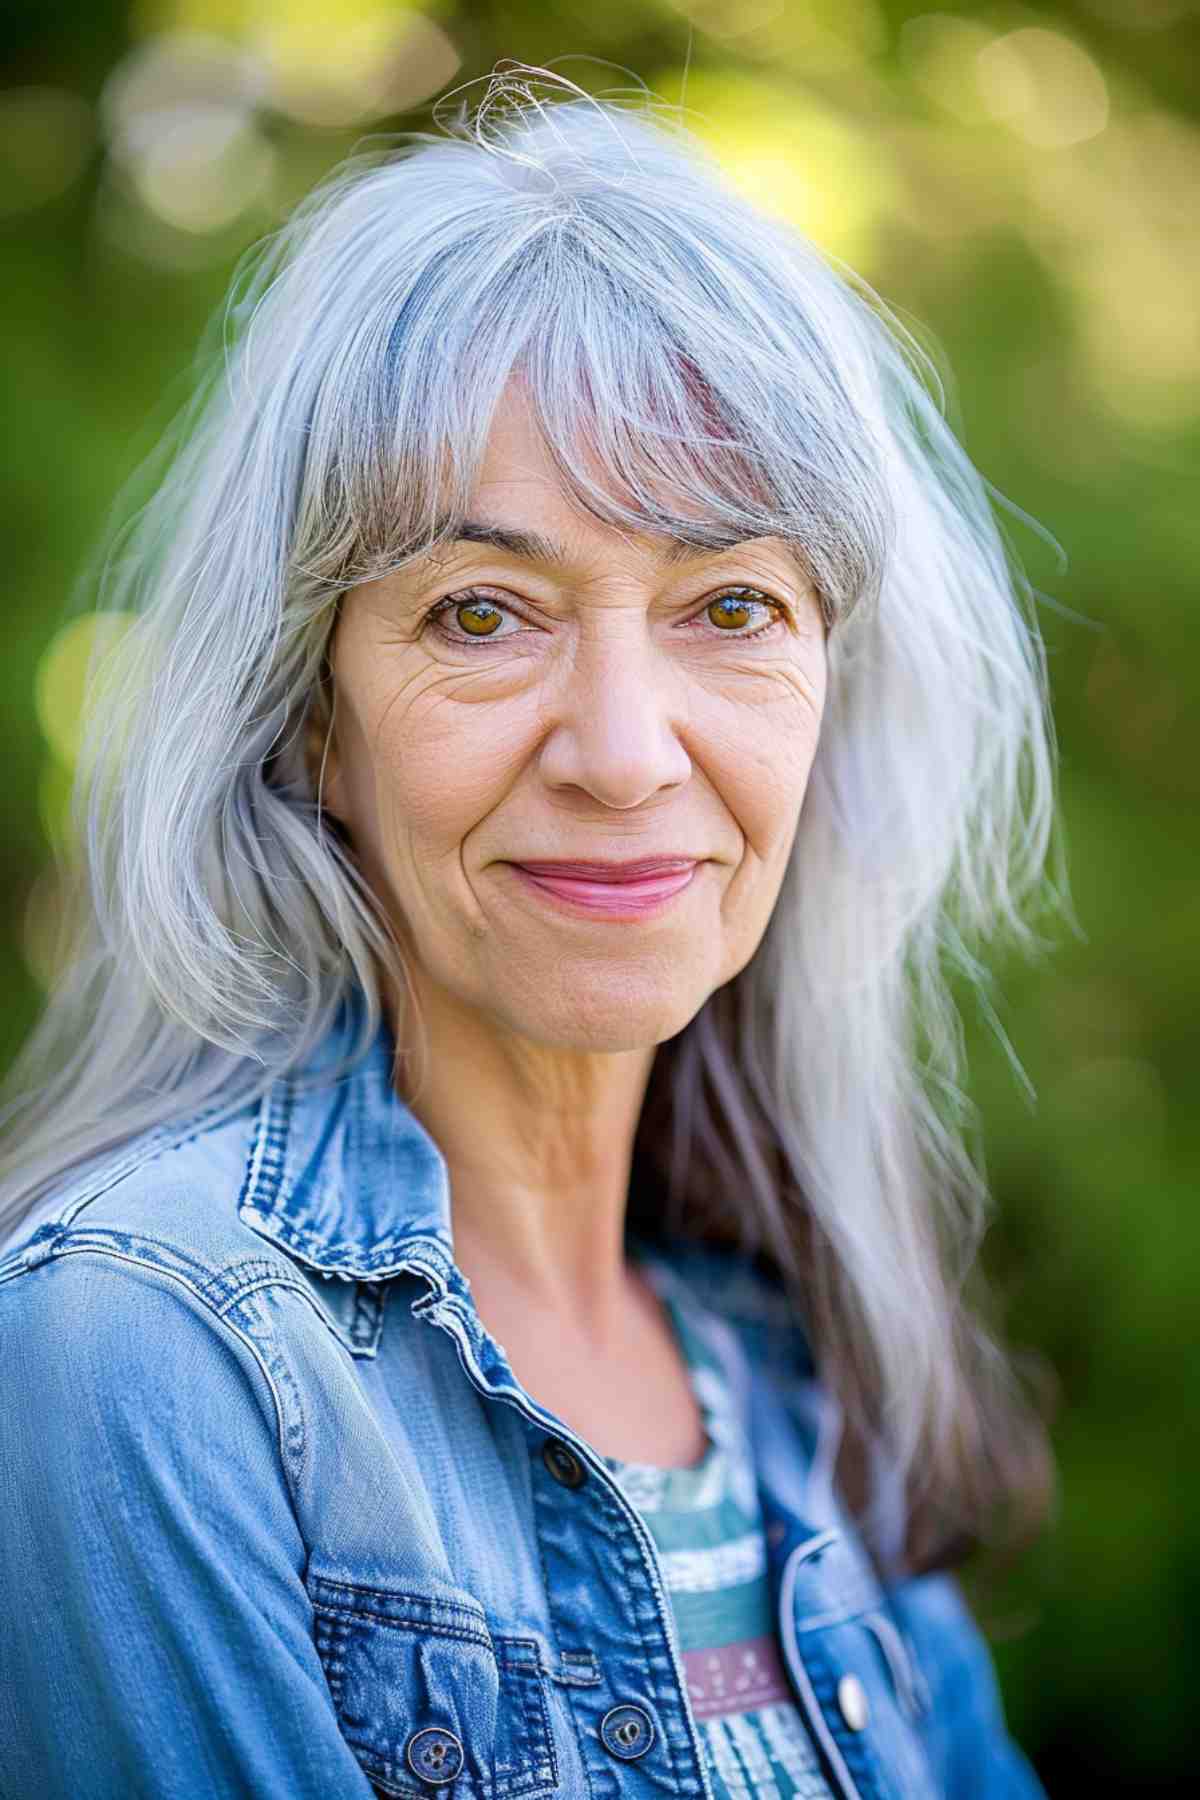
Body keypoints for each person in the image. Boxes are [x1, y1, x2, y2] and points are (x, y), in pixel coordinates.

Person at [0, 64, 1065, 1799]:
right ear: (312, 722)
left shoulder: (786, 1363)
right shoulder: (139, 1352)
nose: (627, 751)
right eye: (481, 613)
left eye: (733, 605)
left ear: (827, 698)